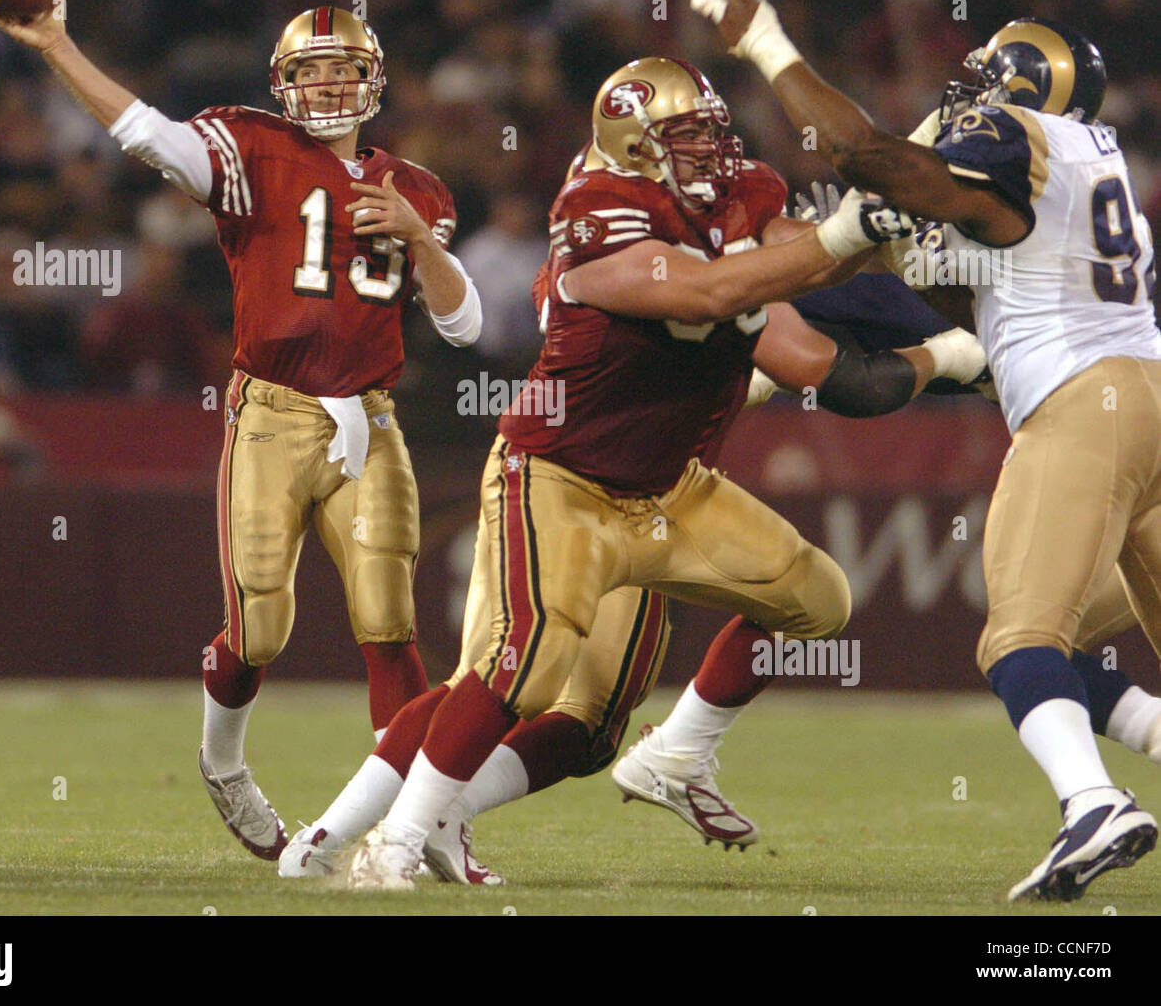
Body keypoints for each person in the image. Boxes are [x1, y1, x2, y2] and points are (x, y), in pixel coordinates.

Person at [332, 54, 915, 889]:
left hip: (669, 487)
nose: (712, 150)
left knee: (816, 597)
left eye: (713, 130)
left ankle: (680, 751)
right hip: (563, 477)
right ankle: (391, 842)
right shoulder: (601, 210)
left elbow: (802, 256)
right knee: (522, 667)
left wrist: (879, 227)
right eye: (685, 137)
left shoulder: (739, 190)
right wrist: (852, 233)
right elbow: (709, 293)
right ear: (634, 146)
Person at [685, 0, 1159, 901]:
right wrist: (905, 245)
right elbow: (968, 276)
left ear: (1019, 89)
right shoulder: (1088, 155)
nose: (970, 92)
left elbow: (868, 155)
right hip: (1147, 399)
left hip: (1081, 404)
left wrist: (766, 40)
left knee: (1018, 638)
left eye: (987, 76)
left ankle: (1094, 805)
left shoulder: (1016, 135)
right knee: (1060, 636)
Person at [0, 0, 483, 861]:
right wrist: (59, 41)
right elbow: (145, 134)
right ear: (282, 84)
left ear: (374, 80)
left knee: (389, 624)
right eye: (310, 70)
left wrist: (420, 240)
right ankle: (222, 761)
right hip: (272, 412)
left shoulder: (419, 188)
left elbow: (466, 326)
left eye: (344, 67)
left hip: (370, 415)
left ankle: (426, 819)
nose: (328, 82)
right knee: (261, 628)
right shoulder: (249, 147)